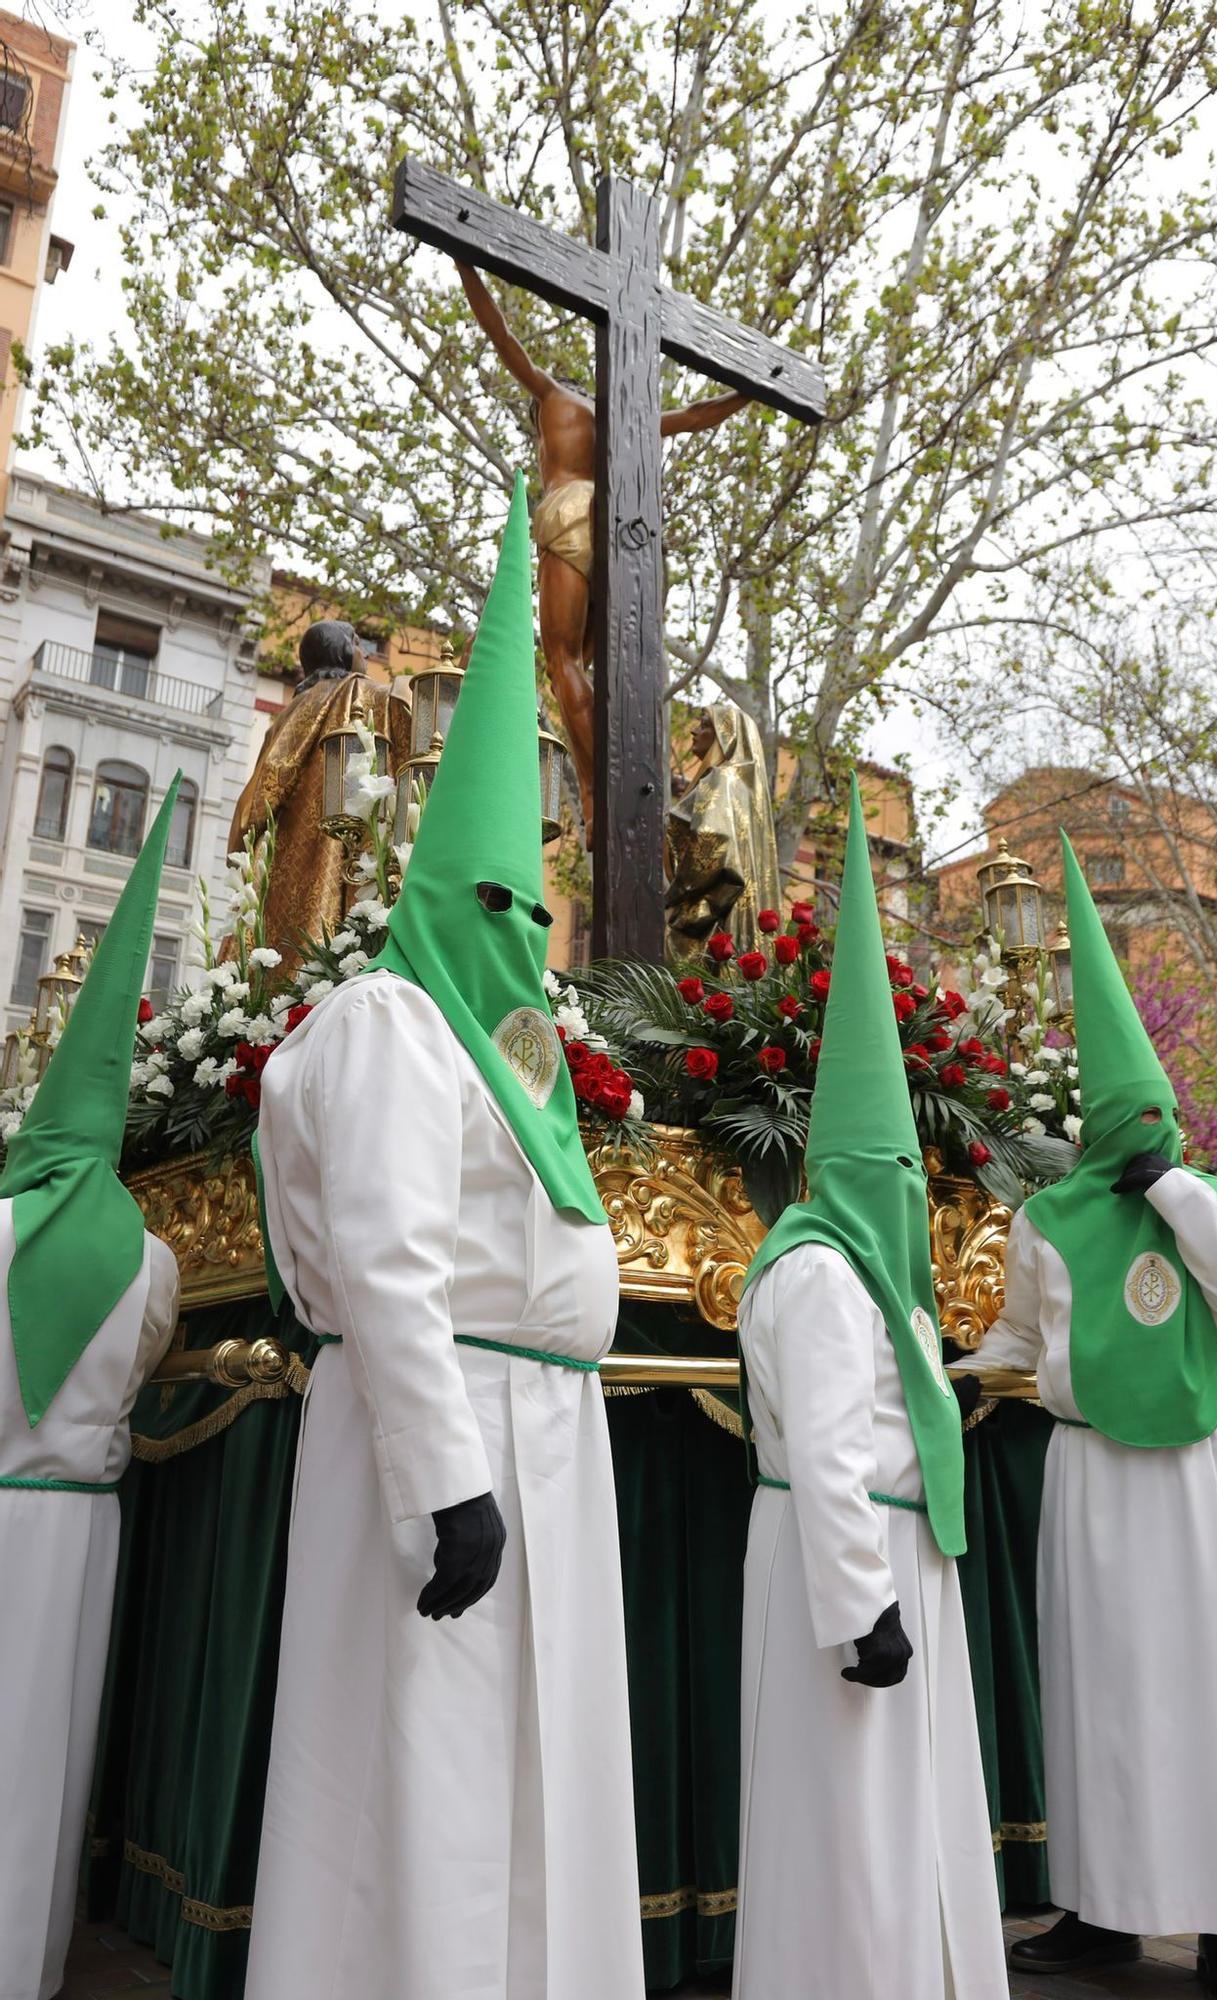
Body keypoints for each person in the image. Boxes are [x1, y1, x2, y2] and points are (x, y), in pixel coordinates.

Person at [243, 477, 644, 2000]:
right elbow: (388, 1265)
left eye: (528, 906)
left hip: (542, 1431)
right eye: (497, 900)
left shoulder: (491, 1042)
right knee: (427, 1773)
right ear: (434, 896)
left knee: (533, 1775)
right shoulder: (395, 1024)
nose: (520, 930)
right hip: (456, 1438)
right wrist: (446, 1482)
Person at [958, 834, 1217, 2000]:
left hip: (1194, 1476)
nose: (1146, 1122)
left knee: (1204, 1689)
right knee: (1097, 1685)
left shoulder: (1202, 1197)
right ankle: (1100, 1906)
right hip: (1089, 1473)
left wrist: (1169, 1181)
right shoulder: (1043, 1216)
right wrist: (944, 1370)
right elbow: (1017, 1339)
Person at [732, 786, 1008, 2000]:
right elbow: (832, 1457)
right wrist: (861, 1608)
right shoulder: (817, 1277)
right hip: (852, 1574)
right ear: (850, 1170)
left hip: (899, 1563)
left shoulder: (870, 1278)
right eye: (894, 1166)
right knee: (846, 1821)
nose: (913, 1187)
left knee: (898, 1812)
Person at [0, 782, 183, 2000]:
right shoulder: (156, 1255)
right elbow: (154, 1357)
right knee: (44, 1754)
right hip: (77, 1529)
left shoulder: (2, 1218)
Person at [454, 260, 749, 839]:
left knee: (562, 661)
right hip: (619, 525)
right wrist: (752, 390)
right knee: (603, 665)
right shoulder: (621, 418)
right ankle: (624, 776)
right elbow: (694, 417)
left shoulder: (550, 396)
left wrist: (463, 263)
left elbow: (499, 334)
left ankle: (596, 789)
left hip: (567, 512)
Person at [228, 618, 411, 972]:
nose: (364, 654)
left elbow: (263, 787)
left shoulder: (288, 714)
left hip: (286, 853)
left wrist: (239, 844)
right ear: (342, 652)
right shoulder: (361, 692)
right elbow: (408, 713)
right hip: (341, 842)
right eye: (358, 643)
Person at [665, 701, 782, 954]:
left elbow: (711, 842)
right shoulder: (748, 793)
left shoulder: (721, 779)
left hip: (712, 924)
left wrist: (673, 895)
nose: (694, 731)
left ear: (726, 737)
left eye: (705, 725)